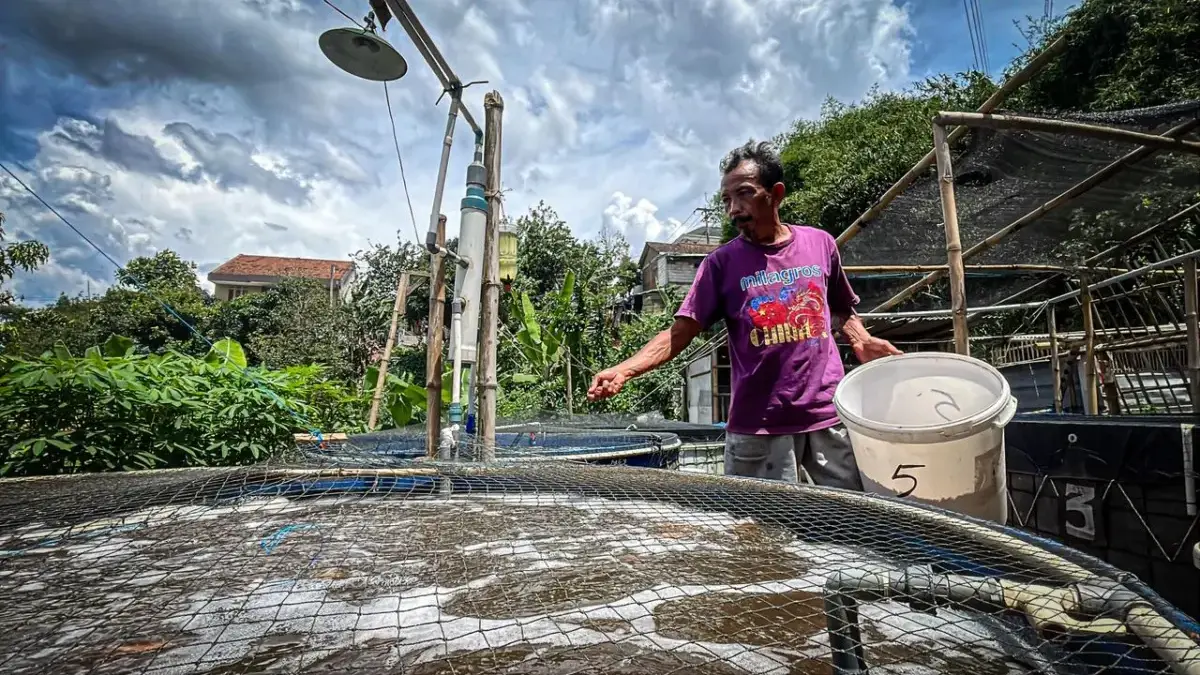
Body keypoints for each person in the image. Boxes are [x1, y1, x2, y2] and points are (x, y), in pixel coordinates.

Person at [587, 140, 902, 488]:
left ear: (776, 193)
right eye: (726, 200)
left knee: (845, 524)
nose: (734, 209)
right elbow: (680, 333)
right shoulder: (720, 265)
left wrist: (862, 340)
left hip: (827, 418)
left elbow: (840, 307)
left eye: (744, 194)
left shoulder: (820, 244)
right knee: (757, 533)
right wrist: (625, 369)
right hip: (758, 427)